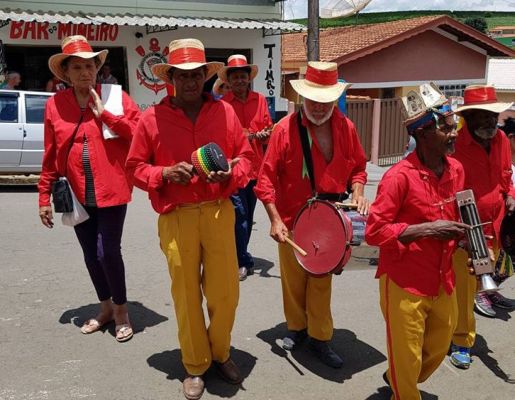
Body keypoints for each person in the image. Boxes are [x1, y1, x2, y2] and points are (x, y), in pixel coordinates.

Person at [125, 38, 254, 400]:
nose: (190, 82)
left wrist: (229, 172)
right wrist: (164, 174)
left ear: (206, 76)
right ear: (171, 79)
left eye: (196, 74)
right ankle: (196, 364)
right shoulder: (152, 118)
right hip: (176, 215)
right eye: (181, 75)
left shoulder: (225, 113)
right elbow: (133, 168)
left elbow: (246, 159)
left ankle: (220, 352)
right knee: (185, 295)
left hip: (217, 211)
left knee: (225, 293)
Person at [254, 61, 369, 368]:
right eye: (313, 100)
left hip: (330, 219)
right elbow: (265, 179)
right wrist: (274, 219)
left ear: (334, 99)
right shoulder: (283, 130)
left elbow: (358, 166)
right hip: (291, 219)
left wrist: (357, 191)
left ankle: (320, 337)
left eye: (326, 101)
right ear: (302, 98)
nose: (319, 107)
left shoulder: (346, 127)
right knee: (293, 281)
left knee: (320, 280)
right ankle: (296, 327)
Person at [365, 84, 469, 399]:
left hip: (443, 278)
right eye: (446, 128)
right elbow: (374, 231)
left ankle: (399, 377)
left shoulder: (456, 170)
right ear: (423, 134)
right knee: (407, 356)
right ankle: (403, 388)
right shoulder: (398, 177)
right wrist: (425, 229)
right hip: (404, 281)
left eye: (455, 127)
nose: (454, 134)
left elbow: (456, 218)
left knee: (440, 343)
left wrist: (468, 240)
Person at [37, 35, 141, 342]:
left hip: (112, 189)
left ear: (98, 68)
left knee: (107, 251)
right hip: (75, 193)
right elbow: (51, 153)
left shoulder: (114, 97)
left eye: (91, 65)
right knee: (90, 254)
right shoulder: (55, 104)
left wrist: (106, 115)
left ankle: (121, 312)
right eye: (78, 67)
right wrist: (44, 196)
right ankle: (105, 307)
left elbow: (139, 134)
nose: (86, 72)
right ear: (65, 73)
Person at [449, 85, 515, 368]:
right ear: (470, 116)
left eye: (493, 115)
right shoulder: (454, 145)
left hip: (497, 222)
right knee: (463, 290)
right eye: (484, 116)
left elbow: (505, 172)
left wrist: (510, 193)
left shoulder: (500, 138)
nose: (491, 121)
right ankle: (461, 340)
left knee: (492, 272)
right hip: (469, 227)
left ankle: (488, 292)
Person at [218, 54, 273, 280]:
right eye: (236, 77)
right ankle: (241, 260)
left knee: (248, 216)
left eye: (243, 76)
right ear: (228, 81)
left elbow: (268, 127)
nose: (240, 81)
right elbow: (223, 135)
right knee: (238, 214)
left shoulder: (259, 100)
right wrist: (250, 135)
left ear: (248, 79)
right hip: (234, 168)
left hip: (256, 168)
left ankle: (240, 254)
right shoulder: (222, 104)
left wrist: (265, 133)